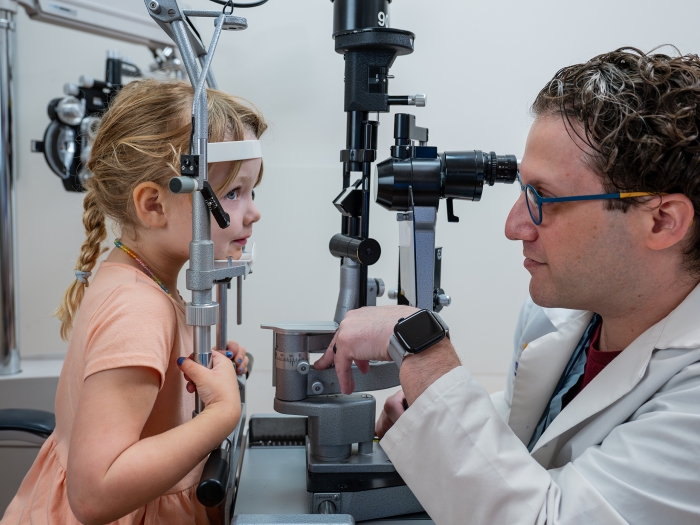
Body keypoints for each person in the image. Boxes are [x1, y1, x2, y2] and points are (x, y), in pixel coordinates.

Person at [315, 47, 700, 524]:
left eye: (544, 197)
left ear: (662, 221)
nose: (515, 225)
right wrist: (433, 422)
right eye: (522, 189)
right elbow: (537, 432)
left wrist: (423, 350)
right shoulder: (563, 317)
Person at [1, 79, 266, 525]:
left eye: (251, 191)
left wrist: (206, 365)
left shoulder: (142, 279)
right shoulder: (138, 308)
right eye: (233, 193)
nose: (253, 211)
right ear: (154, 205)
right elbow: (95, 493)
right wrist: (220, 414)